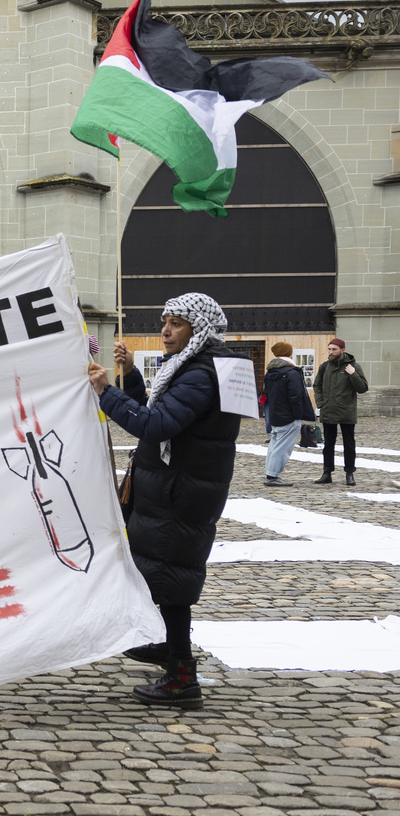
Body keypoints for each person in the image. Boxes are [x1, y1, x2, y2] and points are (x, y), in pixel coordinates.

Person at [88, 293, 241, 709]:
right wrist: (132, 376)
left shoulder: (201, 373)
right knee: (162, 575)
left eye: (176, 323)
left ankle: (180, 676)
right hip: (175, 489)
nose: (165, 330)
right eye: (164, 321)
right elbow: (158, 413)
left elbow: (155, 425)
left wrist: (105, 392)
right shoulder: (196, 367)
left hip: (181, 493)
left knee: (171, 581)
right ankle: (166, 646)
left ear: (199, 329)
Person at [312, 337, 369, 486]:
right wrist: (321, 403)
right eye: (329, 349)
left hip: (346, 412)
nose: (331, 352)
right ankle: (327, 472)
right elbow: (317, 386)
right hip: (328, 410)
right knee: (328, 444)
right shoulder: (324, 367)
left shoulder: (354, 366)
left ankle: (349, 474)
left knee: (349, 444)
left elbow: (362, 388)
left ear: (342, 350)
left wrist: (353, 374)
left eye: (334, 349)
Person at [263, 342, 316, 487]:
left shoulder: (270, 372)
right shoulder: (291, 372)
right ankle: (273, 476)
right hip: (289, 416)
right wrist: (297, 415)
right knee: (282, 447)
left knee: (274, 444)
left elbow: (267, 394)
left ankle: (269, 472)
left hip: (275, 415)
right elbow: (296, 396)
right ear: (289, 353)